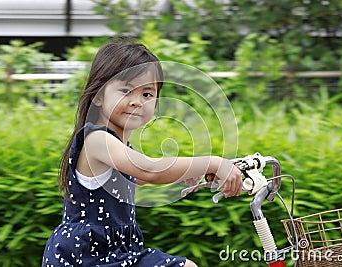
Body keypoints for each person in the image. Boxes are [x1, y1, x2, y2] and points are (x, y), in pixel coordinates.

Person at [42, 40, 242, 267]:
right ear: (98, 95)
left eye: (147, 94)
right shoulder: (96, 139)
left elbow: (141, 177)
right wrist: (213, 163)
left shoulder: (120, 147)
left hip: (113, 253)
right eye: (126, 90)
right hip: (88, 255)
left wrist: (186, 174)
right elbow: (150, 170)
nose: (136, 102)